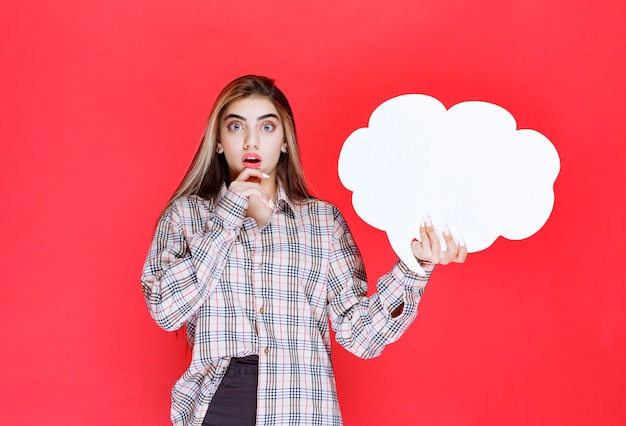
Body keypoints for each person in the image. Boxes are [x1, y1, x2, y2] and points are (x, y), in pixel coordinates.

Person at [141, 75, 467, 426]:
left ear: (284, 141)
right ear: (219, 141)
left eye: (267, 127)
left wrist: (415, 265)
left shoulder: (323, 222)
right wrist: (229, 211)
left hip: (302, 406)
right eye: (236, 127)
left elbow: (361, 337)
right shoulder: (187, 216)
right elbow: (166, 310)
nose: (252, 141)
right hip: (219, 404)